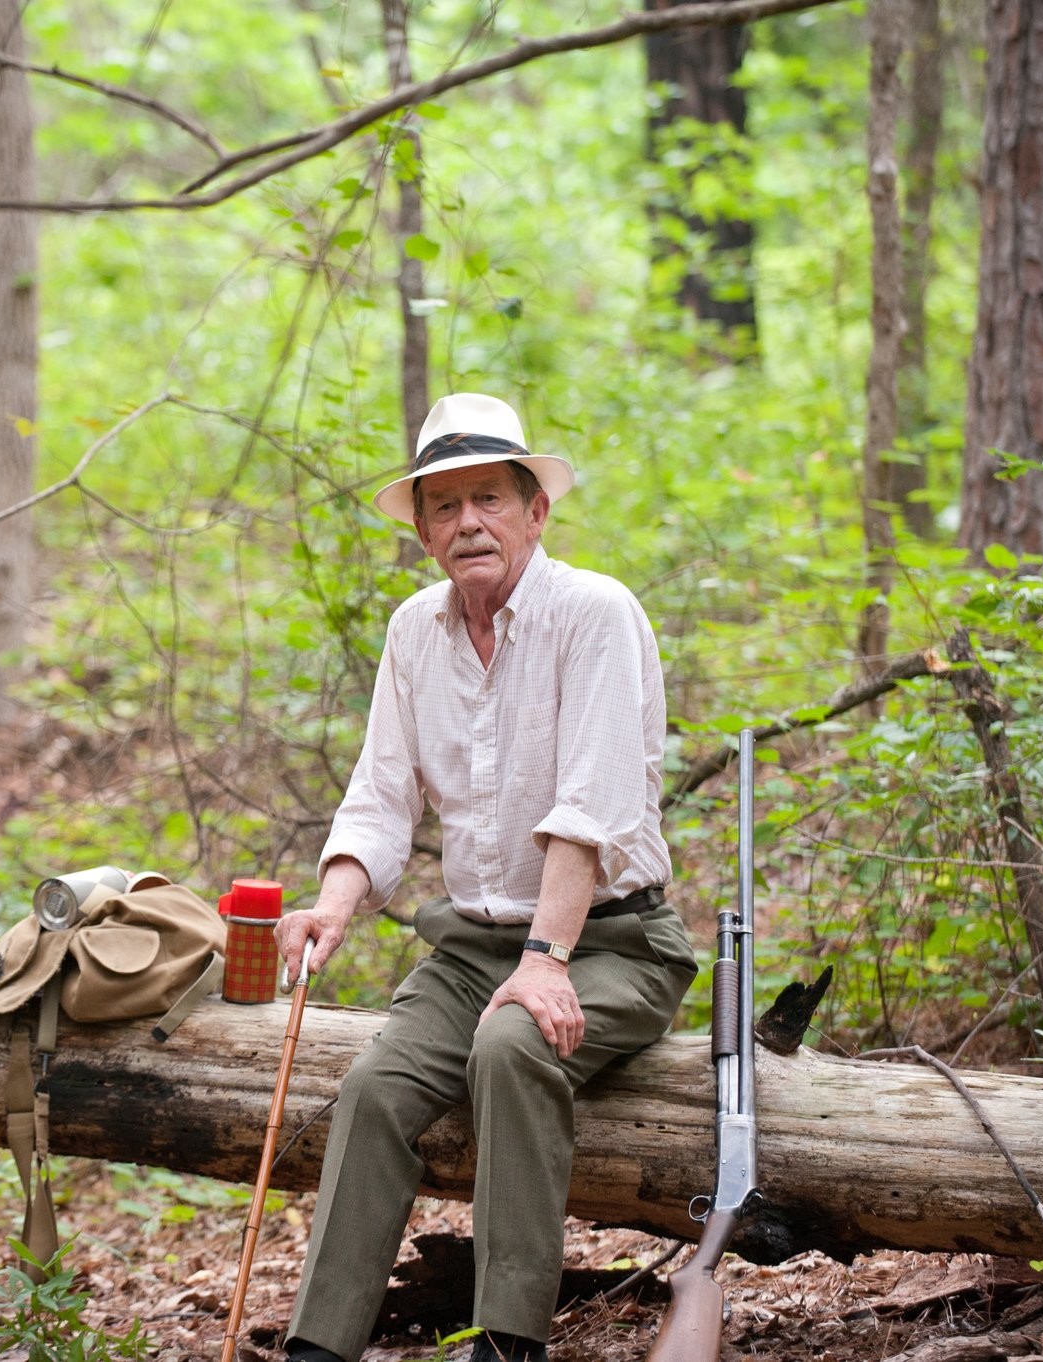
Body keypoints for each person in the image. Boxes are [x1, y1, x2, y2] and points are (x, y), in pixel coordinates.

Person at [273, 394, 698, 1362]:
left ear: (533, 512)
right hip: (470, 945)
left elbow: (589, 811)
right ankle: (318, 1345)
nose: (468, 522)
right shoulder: (413, 633)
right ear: (422, 530)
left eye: (489, 500)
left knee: (509, 1047)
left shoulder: (593, 614)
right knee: (376, 1086)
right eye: (444, 505)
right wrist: (332, 905)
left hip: (610, 942)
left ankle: (507, 1340)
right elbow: (381, 796)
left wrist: (546, 958)